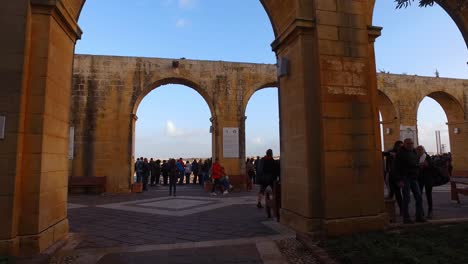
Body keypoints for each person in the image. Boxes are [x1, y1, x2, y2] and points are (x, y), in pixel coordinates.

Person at [396, 138, 425, 223]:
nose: (410, 145)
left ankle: (419, 216)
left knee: (419, 197)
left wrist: (418, 167)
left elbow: (414, 164)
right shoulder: (400, 154)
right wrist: (399, 180)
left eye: (412, 143)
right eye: (408, 143)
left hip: (413, 178)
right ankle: (406, 218)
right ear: (404, 144)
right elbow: (396, 168)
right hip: (405, 178)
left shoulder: (414, 152)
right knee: (406, 198)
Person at [383, 140, 403, 214]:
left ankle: (401, 209)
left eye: (401, 146)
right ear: (396, 146)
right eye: (399, 146)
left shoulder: (402, 153)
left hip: (397, 175)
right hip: (390, 174)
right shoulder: (391, 151)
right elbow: (382, 153)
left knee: (397, 193)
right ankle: (391, 211)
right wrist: (390, 153)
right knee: (392, 193)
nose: (400, 148)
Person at [416, 145, 434, 219]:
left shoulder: (427, 157)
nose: (419, 151)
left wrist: (427, 165)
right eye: (418, 150)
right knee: (418, 195)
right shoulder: (416, 157)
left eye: (420, 150)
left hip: (428, 179)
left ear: (423, 150)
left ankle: (430, 211)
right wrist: (418, 165)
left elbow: (433, 166)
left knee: (428, 195)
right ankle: (420, 211)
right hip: (419, 179)